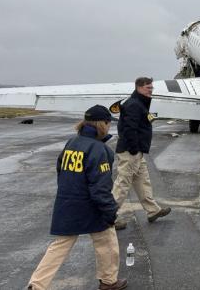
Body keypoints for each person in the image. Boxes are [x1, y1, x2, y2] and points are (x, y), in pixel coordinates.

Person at [28, 105, 127, 290]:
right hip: (90, 205)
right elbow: (101, 188)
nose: (109, 126)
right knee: (106, 240)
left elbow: (60, 171)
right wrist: (110, 212)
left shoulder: (71, 143)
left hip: (67, 202)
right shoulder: (100, 150)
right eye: (108, 123)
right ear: (102, 124)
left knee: (60, 246)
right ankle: (108, 281)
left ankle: (36, 285)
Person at [112, 77, 170, 230]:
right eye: (147, 88)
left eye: (151, 88)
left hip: (137, 152)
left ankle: (153, 211)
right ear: (138, 87)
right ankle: (107, 217)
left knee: (143, 181)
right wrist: (133, 148)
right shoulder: (134, 105)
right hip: (131, 151)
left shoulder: (139, 103)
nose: (150, 90)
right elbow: (129, 129)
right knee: (123, 184)